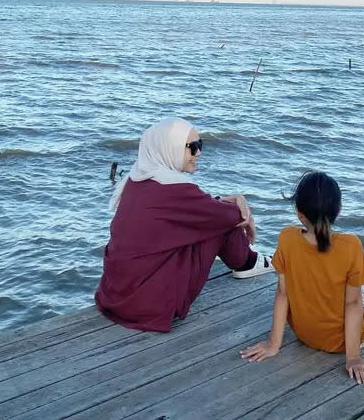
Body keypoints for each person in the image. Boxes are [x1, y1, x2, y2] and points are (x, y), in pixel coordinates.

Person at [95, 117, 273, 331]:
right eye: (193, 147)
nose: (199, 153)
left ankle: (248, 261)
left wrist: (233, 203)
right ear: (169, 148)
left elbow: (204, 209)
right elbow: (227, 216)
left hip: (115, 295)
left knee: (212, 214)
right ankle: (248, 263)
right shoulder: (174, 191)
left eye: (201, 145)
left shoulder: (136, 179)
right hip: (146, 307)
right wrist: (241, 206)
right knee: (218, 222)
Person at [240, 171, 364, 384]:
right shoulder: (351, 246)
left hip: (306, 335)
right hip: (345, 341)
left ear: (299, 213)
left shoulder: (287, 238)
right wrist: (353, 357)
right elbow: (353, 303)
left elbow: (282, 294)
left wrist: (273, 343)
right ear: (338, 211)